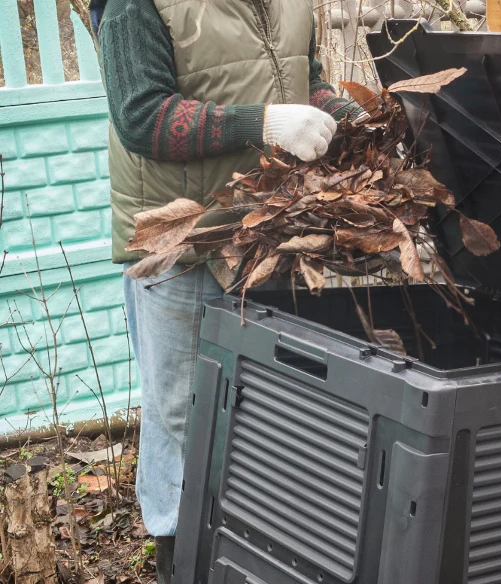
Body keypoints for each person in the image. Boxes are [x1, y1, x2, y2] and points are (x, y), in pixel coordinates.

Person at [89, 1, 362, 581]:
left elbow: (300, 79)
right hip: (182, 245)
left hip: (267, 233)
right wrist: (260, 124)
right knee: (186, 419)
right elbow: (141, 116)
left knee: (268, 413)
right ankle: (180, 565)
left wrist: (346, 117)